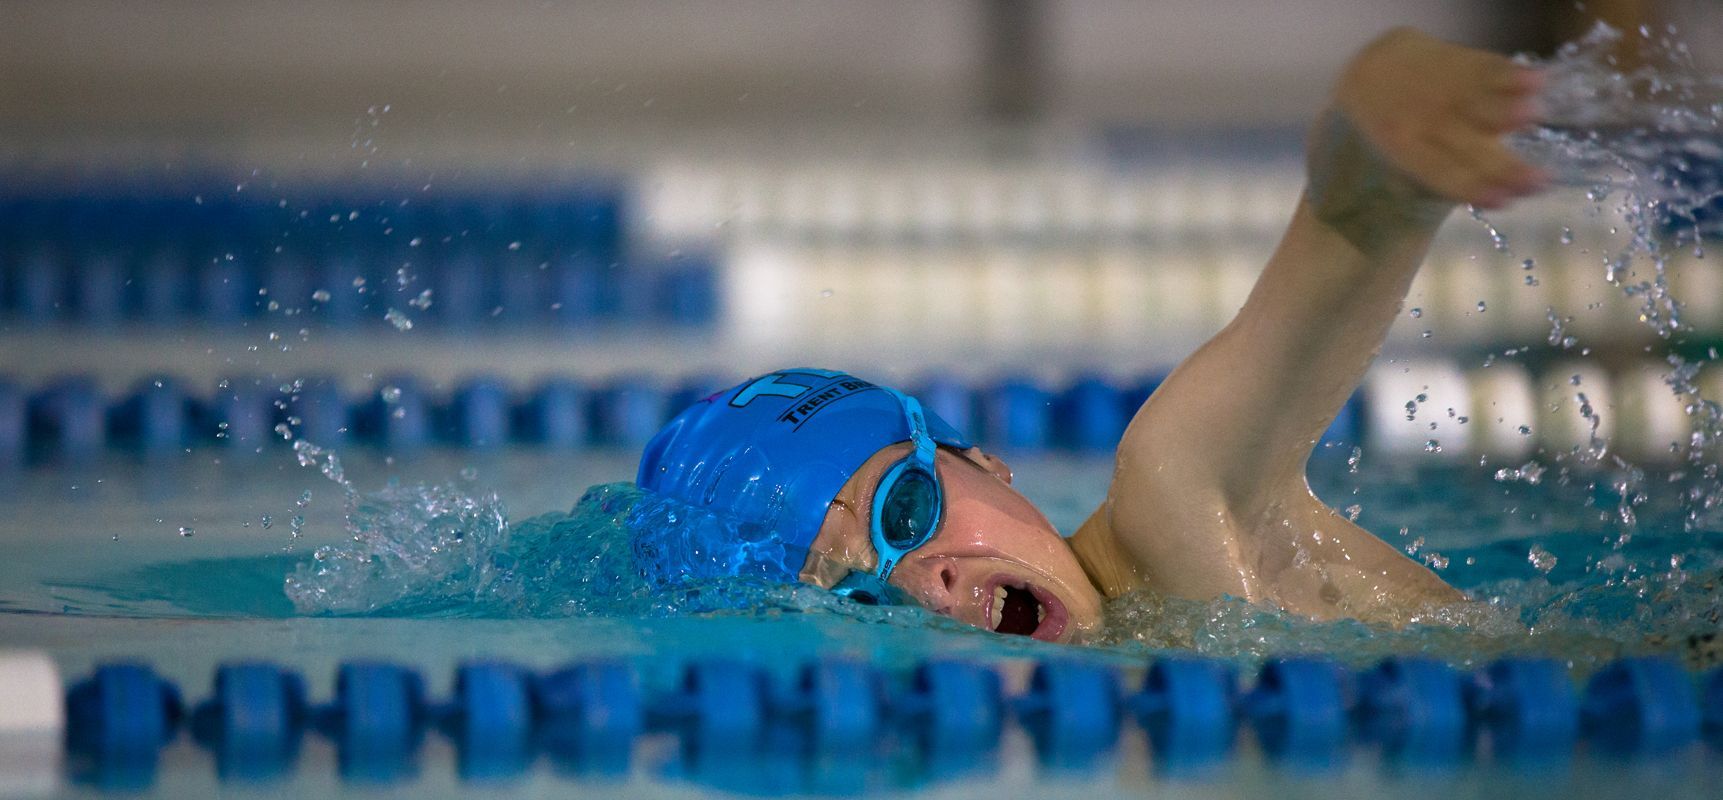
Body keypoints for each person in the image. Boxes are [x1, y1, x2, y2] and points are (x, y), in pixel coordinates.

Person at [636, 28, 1550, 644]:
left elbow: (1351, 219)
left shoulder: (1175, 509)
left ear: (985, 461)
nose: (931, 584)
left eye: (903, 510)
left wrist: (1378, 111)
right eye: (855, 599)